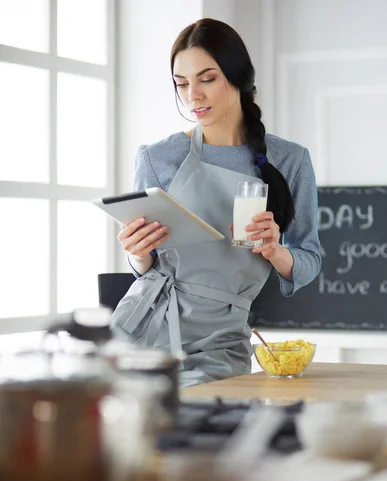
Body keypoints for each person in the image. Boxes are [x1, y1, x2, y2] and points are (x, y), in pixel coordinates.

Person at [110, 18, 321, 387]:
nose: (193, 96)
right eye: (182, 84)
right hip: (142, 334)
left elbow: (309, 259)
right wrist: (137, 253)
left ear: (237, 76)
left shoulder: (290, 160)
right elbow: (146, 270)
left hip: (222, 343)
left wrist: (275, 250)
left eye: (206, 79)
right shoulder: (157, 158)